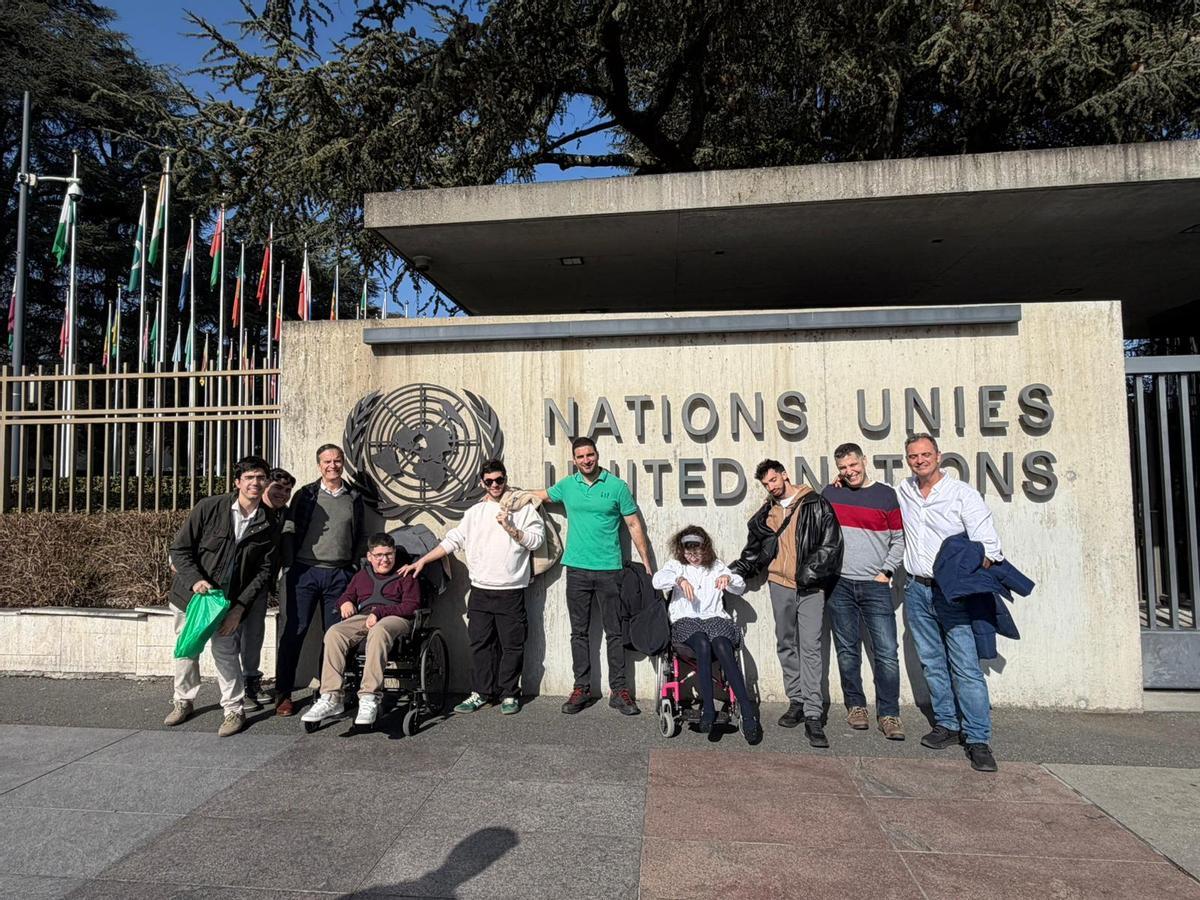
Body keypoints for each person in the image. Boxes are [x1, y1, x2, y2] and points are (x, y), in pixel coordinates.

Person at [401, 459, 545, 716]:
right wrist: (422, 560)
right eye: (489, 481)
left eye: (499, 480)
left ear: (505, 479)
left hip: (511, 590)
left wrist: (512, 528)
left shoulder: (524, 510)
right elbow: (453, 540)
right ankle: (481, 693)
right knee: (480, 644)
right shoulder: (474, 513)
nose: (494, 485)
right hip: (480, 590)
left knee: (512, 645)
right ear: (482, 483)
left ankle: (510, 693)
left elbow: (536, 541)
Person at [897, 433, 1003, 773]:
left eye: (926, 454)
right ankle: (947, 723)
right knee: (931, 661)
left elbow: (990, 548)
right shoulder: (905, 492)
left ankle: (977, 739)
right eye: (914, 456)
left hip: (951, 593)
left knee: (966, 666)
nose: (920, 460)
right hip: (915, 588)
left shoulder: (962, 495)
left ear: (938, 456)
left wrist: (960, 575)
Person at [534, 436, 653, 716]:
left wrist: (647, 561)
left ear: (597, 455)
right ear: (574, 460)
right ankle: (582, 689)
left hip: (610, 570)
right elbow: (540, 496)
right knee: (579, 632)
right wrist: (506, 496)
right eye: (581, 456)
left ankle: (619, 691)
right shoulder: (567, 485)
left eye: (590, 455)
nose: (586, 460)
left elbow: (634, 524)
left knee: (614, 632)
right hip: (576, 570)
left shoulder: (616, 487)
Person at [165, 455, 281, 737]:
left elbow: (264, 572)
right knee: (187, 650)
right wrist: (195, 581)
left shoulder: (268, 522)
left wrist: (239, 608)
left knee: (227, 654)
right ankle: (183, 701)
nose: (255, 483)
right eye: (250, 477)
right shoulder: (209, 508)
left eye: (260, 478)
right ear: (237, 482)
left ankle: (234, 710)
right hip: (192, 598)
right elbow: (180, 550)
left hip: (228, 603)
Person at [731, 459, 843, 748]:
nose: (771, 486)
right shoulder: (767, 513)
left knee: (811, 647)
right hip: (778, 585)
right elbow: (754, 552)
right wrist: (732, 572)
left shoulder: (816, 504)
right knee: (785, 643)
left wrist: (809, 574)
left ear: (784, 475)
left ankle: (814, 714)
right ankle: (797, 700)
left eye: (773, 480)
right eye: (766, 484)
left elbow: (831, 545)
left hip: (810, 587)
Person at [275, 443, 366, 716]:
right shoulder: (306, 495)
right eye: (327, 462)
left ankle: (328, 692)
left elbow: (359, 534)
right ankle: (283, 695)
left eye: (337, 461)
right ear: (319, 466)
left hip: (339, 575)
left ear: (343, 464)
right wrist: (290, 565)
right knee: (294, 632)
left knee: (334, 637)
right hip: (305, 572)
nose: (333, 466)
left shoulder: (353, 496)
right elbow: (289, 529)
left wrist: (353, 569)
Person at [823, 443, 906, 740]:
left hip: (876, 585)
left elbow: (899, 539)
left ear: (864, 461)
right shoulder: (830, 493)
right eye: (843, 468)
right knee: (847, 651)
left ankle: (889, 713)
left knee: (886, 652)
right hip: (840, 584)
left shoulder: (886, 495)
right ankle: (856, 706)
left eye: (853, 465)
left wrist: (886, 571)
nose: (849, 472)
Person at [652, 526, 761, 745]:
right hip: (686, 620)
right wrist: (679, 580)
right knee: (701, 643)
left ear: (706, 549)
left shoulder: (716, 566)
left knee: (722, 645)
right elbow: (657, 580)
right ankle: (708, 709)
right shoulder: (676, 566)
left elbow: (739, 586)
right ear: (681, 550)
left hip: (715, 618)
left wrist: (727, 579)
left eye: (697, 550)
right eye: (688, 550)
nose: (692, 555)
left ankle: (748, 713)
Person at [301, 533, 422, 727]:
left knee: (379, 630)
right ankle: (331, 696)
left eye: (389, 554)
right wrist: (345, 602)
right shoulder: (362, 575)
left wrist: (381, 612)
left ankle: (369, 696)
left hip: (396, 619)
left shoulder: (405, 574)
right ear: (370, 556)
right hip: (364, 617)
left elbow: (411, 605)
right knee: (334, 632)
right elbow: (347, 595)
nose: (385, 559)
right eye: (379, 555)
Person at [240, 466, 295, 711]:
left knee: (254, 635)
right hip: (236, 584)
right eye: (277, 488)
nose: (282, 493)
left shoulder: (283, 515)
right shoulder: (250, 510)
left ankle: (251, 682)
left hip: (260, 585)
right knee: (232, 637)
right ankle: (236, 690)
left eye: (287, 490)